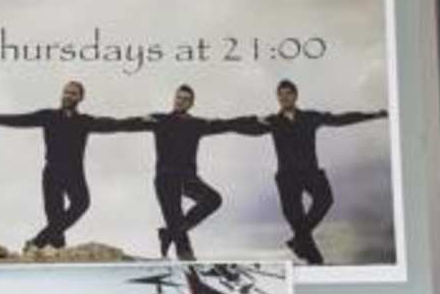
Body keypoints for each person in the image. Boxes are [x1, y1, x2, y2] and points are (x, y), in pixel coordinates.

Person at [0, 80, 144, 250]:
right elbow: (20, 120)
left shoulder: (84, 121)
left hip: (74, 173)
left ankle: (37, 242)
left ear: (80, 98)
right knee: (55, 220)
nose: (68, 96)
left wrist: (140, 121)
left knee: (81, 203)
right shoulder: (48, 116)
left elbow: (115, 124)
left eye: (73, 93)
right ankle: (54, 248)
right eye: (66, 92)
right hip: (52, 172)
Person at [257, 79, 387, 265]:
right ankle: (313, 257)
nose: (284, 98)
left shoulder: (310, 117)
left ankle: (299, 241)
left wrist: (372, 115)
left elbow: (339, 119)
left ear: (295, 95)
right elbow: (245, 126)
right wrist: (252, 121)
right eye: (281, 94)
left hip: (310, 173)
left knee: (325, 199)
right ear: (277, 97)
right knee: (297, 221)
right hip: (287, 178)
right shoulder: (272, 121)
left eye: (288, 93)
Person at [143, 84, 260, 259]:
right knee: (177, 224)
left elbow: (226, 124)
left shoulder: (196, 124)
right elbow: (126, 124)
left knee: (213, 199)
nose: (180, 101)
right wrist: (136, 120)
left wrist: (253, 120)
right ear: (174, 99)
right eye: (178, 97)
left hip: (187, 178)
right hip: (166, 179)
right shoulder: (159, 120)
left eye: (185, 99)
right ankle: (185, 256)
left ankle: (169, 234)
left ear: (191, 104)